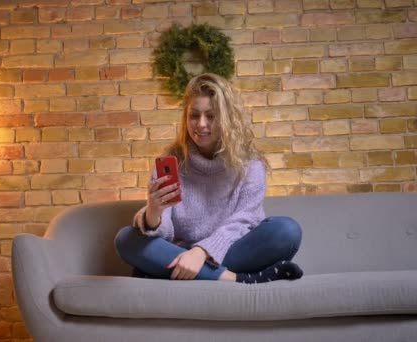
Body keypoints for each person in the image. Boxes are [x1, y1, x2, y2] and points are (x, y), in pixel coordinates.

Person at [114, 73, 303, 284]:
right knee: (126, 239)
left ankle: (171, 272)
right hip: (183, 255)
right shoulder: (171, 163)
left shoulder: (250, 165)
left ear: (226, 119)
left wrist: (201, 252)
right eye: (193, 115)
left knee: (286, 230)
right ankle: (234, 279)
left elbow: (244, 221)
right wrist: (153, 213)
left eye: (211, 116)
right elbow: (164, 235)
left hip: (229, 251)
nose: (200, 124)